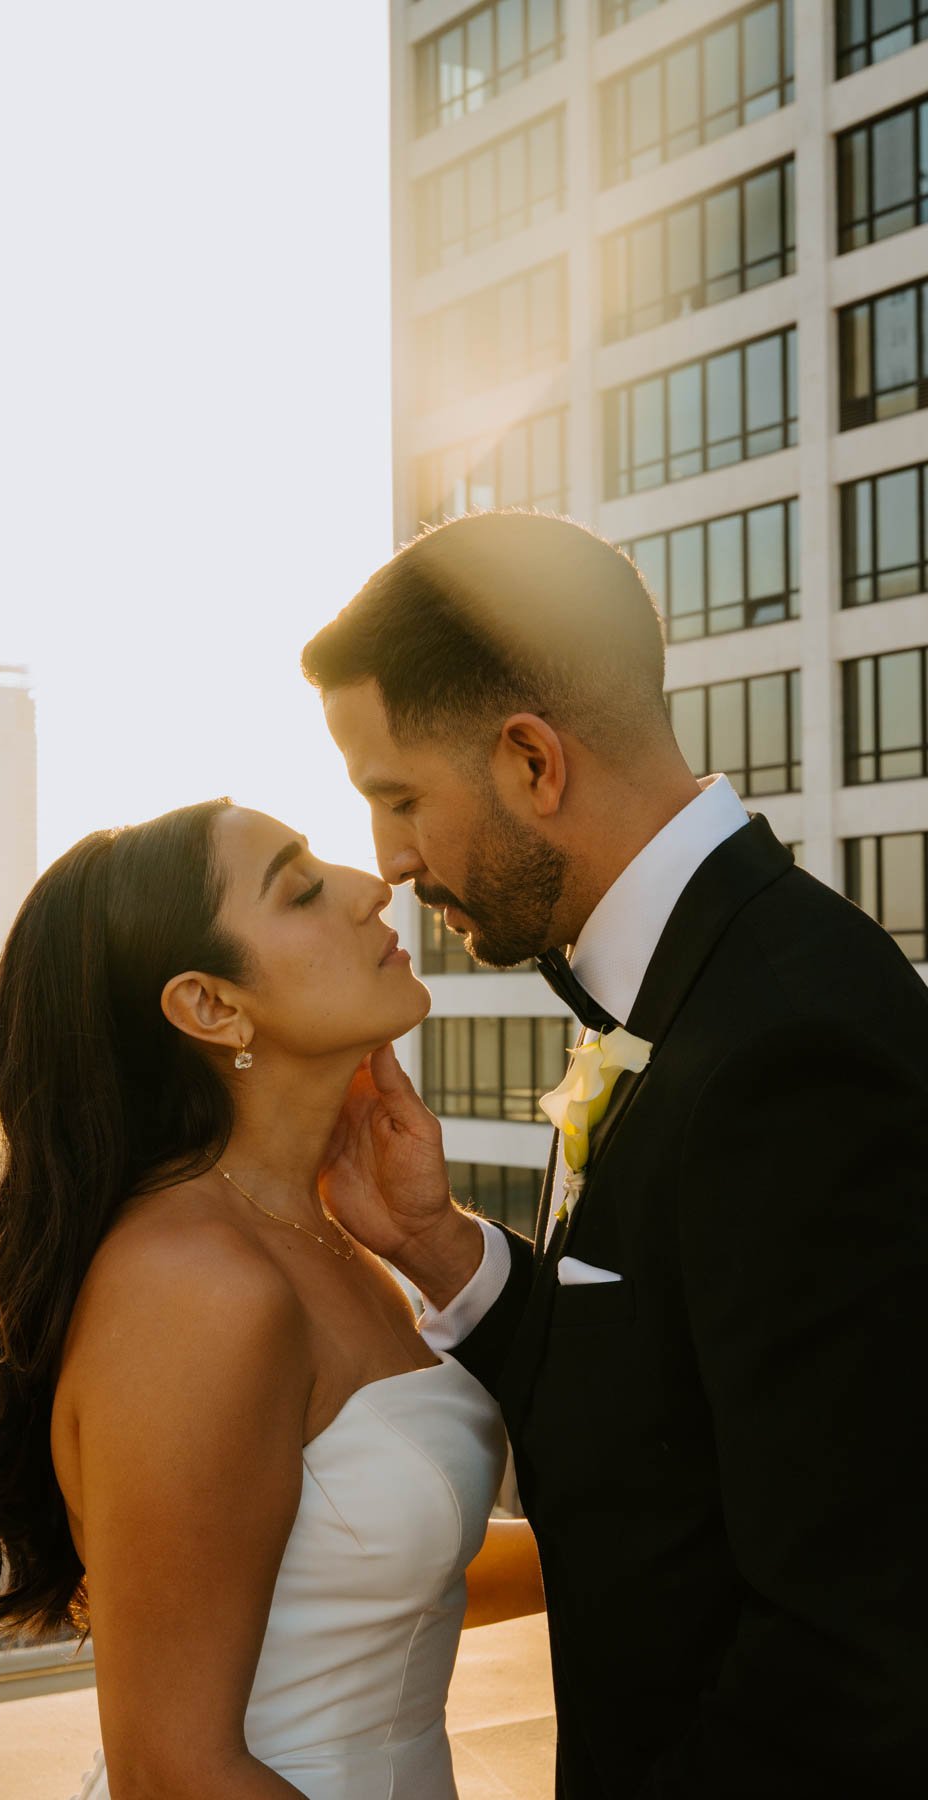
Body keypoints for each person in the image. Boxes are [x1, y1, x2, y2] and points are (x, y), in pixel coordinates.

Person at [0, 796, 545, 1800]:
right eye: (301, 888)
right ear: (211, 1006)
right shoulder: (192, 1287)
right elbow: (173, 1772)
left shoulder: (329, 1233)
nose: (374, 886)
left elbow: (367, 1573)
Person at [304, 509, 928, 1800]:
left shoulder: (792, 1046)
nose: (392, 860)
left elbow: (849, 1650)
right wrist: (437, 1244)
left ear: (533, 762)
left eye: (398, 797)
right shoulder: (688, 987)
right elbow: (656, 1399)